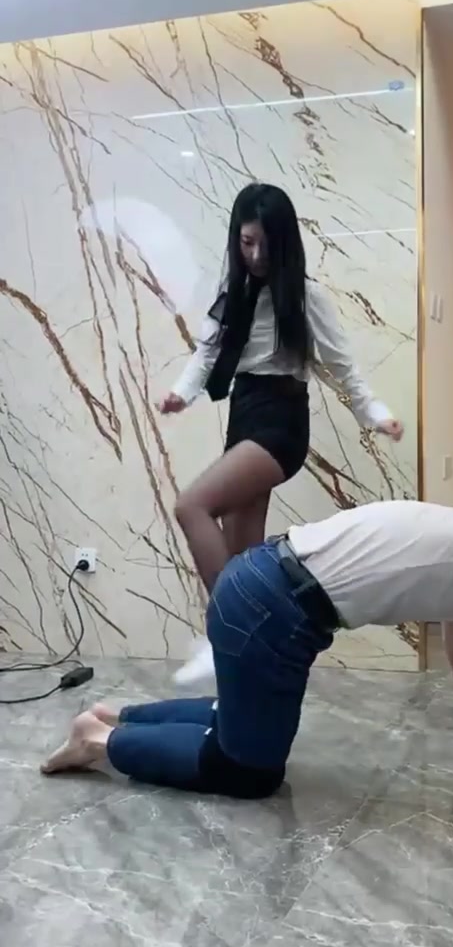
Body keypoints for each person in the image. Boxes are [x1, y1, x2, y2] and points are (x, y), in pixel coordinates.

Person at [42, 502, 453, 841]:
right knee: (246, 772)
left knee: (241, 720)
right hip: (273, 610)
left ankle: (120, 715)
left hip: (264, 590)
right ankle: (101, 741)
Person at [160, 183, 403, 685]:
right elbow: (207, 354)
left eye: (266, 246)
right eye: (246, 243)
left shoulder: (307, 296)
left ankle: (226, 632)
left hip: (281, 422)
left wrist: (375, 414)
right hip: (244, 413)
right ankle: (249, 664)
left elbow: (342, 366)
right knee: (243, 560)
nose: (255, 256)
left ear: (285, 243)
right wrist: (181, 394)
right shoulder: (232, 293)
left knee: (192, 506)